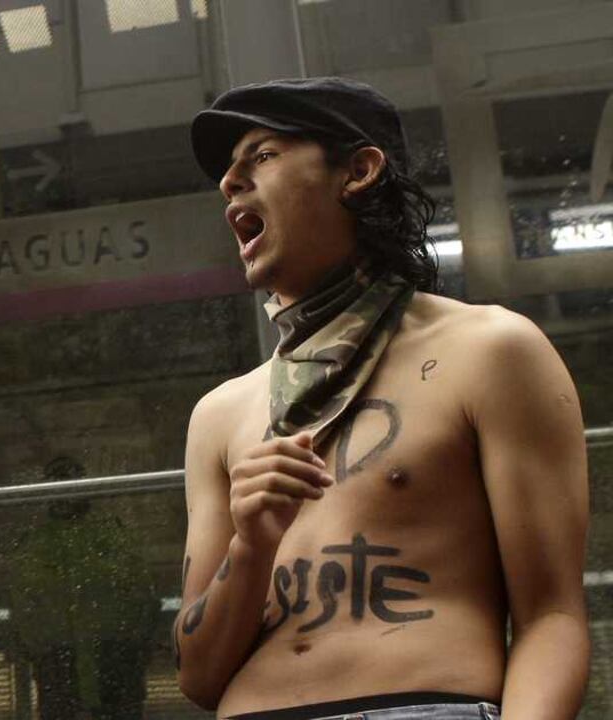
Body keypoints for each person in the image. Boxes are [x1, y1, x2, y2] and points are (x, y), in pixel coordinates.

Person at [172, 77, 590, 719]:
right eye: (228, 172)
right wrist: (251, 548)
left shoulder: (490, 350)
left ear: (360, 171)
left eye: (263, 155)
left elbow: (552, 618)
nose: (230, 183)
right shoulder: (221, 413)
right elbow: (198, 678)